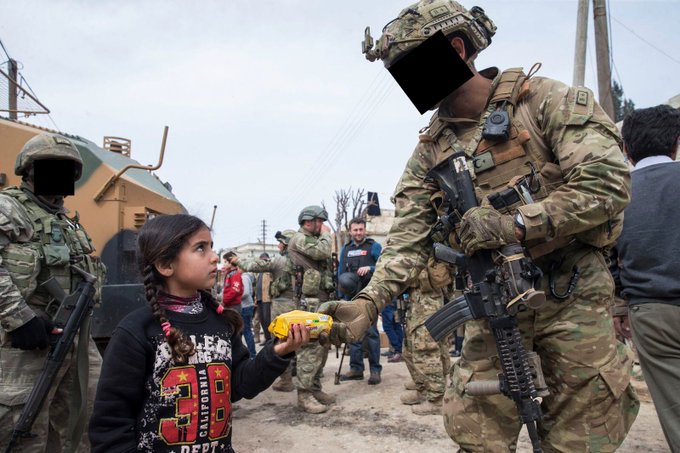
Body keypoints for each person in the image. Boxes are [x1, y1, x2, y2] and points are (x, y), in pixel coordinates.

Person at [320, 1, 639, 450]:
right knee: (475, 437)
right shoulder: (429, 153)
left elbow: (607, 184)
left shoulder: (543, 101)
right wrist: (369, 302)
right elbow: (408, 240)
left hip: (573, 297)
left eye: (410, 66)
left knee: (581, 438)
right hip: (493, 306)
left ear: (456, 49)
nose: (404, 82)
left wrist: (516, 224)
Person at [88, 214, 309, 452]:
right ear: (165, 265)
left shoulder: (222, 323)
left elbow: (240, 385)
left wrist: (277, 352)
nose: (214, 257)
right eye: (201, 248)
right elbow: (110, 425)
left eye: (211, 247)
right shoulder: (136, 331)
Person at [0, 133, 105, 452]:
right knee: (23, 431)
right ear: (28, 170)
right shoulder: (8, 208)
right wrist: (20, 319)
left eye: (67, 168)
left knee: (90, 423)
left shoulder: (67, 222)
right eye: (49, 166)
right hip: (24, 345)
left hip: (75, 337)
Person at [612, 104, 680, 452]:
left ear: (625, 148)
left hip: (651, 314)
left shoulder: (616, 194)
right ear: (676, 143)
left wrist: (619, 306)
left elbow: (608, 255)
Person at [230, 230, 300, 393]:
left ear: (286, 244)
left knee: (282, 341)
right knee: (298, 340)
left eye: (280, 243)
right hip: (298, 305)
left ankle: (286, 381)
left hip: (282, 306)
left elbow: (253, 266)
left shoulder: (280, 261)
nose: (278, 245)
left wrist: (237, 259)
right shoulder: (302, 261)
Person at [287, 205, 336, 413]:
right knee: (309, 347)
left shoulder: (312, 239)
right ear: (308, 221)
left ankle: (315, 388)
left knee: (322, 346)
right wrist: (326, 235)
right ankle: (304, 395)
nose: (322, 225)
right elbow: (322, 251)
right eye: (320, 221)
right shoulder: (299, 239)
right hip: (308, 303)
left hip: (320, 300)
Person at [399, 266, 452, 416]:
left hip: (428, 301)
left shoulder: (429, 252)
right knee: (409, 348)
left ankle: (437, 399)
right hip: (417, 299)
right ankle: (423, 389)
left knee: (426, 349)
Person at [338, 218, 383, 385]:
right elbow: (340, 273)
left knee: (371, 334)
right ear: (350, 231)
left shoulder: (374, 246)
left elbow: (384, 266)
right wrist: (340, 297)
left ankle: (375, 370)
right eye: (355, 230)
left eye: (361, 229)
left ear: (365, 230)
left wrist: (370, 268)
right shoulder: (346, 249)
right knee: (353, 334)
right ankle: (356, 369)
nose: (358, 233)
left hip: (369, 297)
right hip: (351, 298)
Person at [254, 252, 273, 344]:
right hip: (259, 299)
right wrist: (255, 297)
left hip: (267, 299)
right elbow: (257, 285)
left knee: (267, 319)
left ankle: (270, 339)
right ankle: (266, 338)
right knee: (261, 320)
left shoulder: (270, 271)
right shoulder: (259, 272)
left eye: (264, 260)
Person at [240, 271, 256, 358]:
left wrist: (235, 296)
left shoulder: (244, 277)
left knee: (247, 331)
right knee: (247, 330)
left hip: (245, 306)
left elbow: (245, 293)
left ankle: (252, 354)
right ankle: (252, 354)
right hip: (247, 305)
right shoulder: (247, 277)